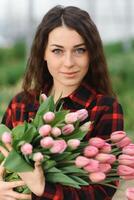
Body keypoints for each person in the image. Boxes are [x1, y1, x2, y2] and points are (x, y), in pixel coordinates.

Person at [0, 5, 124, 200]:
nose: (68, 62)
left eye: (79, 50)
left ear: (91, 53)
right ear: (43, 53)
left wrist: (42, 191)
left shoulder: (104, 108)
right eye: (57, 51)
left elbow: (103, 191)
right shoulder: (21, 104)